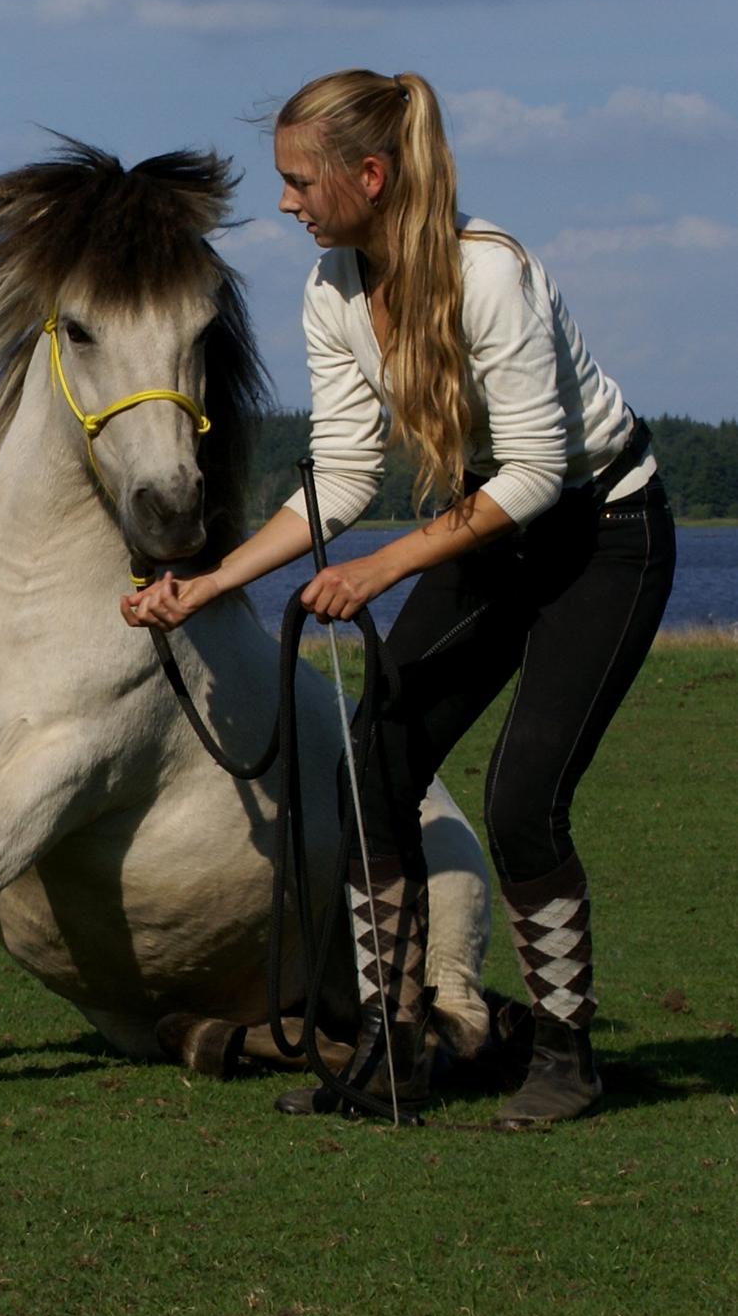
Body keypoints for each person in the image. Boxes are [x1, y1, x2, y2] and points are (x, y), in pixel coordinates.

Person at [120, 69, 676, 1127]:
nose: (285, 202)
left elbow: (537, 473)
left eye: (299, 180)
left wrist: (379, 568)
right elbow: (340, 472)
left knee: (521, 796)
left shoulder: (491, 276)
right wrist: (209, 582)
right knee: (374, 761)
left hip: (603, 534)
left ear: (369, 176)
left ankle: (565, 1056)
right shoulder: (333, 287)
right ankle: (387, 1051)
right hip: (490, 525)